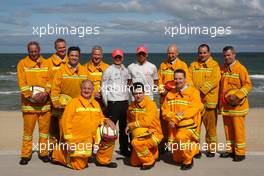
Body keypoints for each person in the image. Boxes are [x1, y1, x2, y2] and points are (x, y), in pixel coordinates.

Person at [51, 80, 118, 170]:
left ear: (93, 90)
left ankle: (103, 160)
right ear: (81, 89)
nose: (86, 90)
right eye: (84, 88)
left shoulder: (95, 103)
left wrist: (107, 120)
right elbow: (65, 121)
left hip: (92, 138)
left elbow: (100, 118)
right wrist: (68, 141)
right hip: (77, 139)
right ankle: (58, 155)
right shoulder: (73, 103)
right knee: (79, 166)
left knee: (110, 135)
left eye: (89, 88)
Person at [17, 41, 51, 165]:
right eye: (31, 51)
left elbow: (50, 80)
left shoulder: (47, 63)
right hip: (29, 106)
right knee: (27, 133)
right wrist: (32, 96)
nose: (33, 53)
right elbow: (22, 83)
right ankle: (25, 155)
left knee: (44, 132)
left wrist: (46, 93)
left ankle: (44, 153)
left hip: (44, 105)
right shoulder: (22, 64)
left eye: (35, 51)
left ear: (39, 50)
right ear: (28, 51)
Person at [162, 69, 203, 170]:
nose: (178, 81)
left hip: (188, 126)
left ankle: (188, 161)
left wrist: (176, 118)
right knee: (176, 159)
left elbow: (193, 109)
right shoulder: (170, 93)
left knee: (181, 139)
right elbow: (164, 110)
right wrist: (171, 119)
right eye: (175, 79)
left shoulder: (194, 92)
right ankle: (194, 148)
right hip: (174, 126)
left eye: (180, 78)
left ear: (185, 79)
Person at [219, 46, 252, 162]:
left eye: (229, 55)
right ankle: (230, 150)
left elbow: (248, 85)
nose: (227, 57)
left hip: (238, 107)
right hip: (226, 107)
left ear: (234, 55)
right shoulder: (222, 69)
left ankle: (240, 153)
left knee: (238, 131)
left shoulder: (240, 68)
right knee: (228, 130)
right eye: (225, 56)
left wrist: (237, 95)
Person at [158, 44, 191, 153]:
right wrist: (162, 90)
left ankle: (178, 148)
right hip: (165, 100)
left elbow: (187, 82)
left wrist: (174, 90)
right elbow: (159, 81)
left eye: (173, 53)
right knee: (164, 125)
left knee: (177, 124)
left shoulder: (182, 65)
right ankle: (164, 146)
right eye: (169, 53)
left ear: (177, 53)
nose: (171, 55)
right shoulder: (163, 65)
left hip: (177, 101)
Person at [189, 44, 221, 158]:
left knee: (210, 129)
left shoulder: (215, 65)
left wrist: (201, 91)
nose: (202, 55)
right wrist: (194, 93)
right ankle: (196, 150)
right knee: (195, 129)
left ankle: (211, 150)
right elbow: (189, 80)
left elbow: (214, 80)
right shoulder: (193, 65)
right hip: (196, 103)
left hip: (209, 104)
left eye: (204, 52)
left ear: (209, 53)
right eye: (200, 53)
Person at [50, 46, 88, 140]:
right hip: (64, 107)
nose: (74, 57)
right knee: (64, 133)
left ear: (79, 57)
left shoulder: (84, 71)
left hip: (79, 107)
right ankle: (62, 154)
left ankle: (76, 154)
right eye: (72, 55)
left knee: (77, 132)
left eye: (76, 56)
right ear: (68, 56)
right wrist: (56, 103)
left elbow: (90, 88)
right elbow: (55, 89)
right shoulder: (61, 71)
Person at [126, 82, 163, 170]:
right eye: (135, 94)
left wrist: (131, 125)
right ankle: (153, 153)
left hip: (154, 134)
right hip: (140, 135)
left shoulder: (151, 104)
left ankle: (149, 161)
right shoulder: (131, 106)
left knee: (136, 143)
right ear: (133, 94)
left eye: (140, 93)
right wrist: (129, 127)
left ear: (144, 92)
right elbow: (129, 120)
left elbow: (146, 122)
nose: (138, 96)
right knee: (134, 163)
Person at [101, 48, 130, 157]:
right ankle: (105, 151)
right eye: (116, 57)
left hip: (124, 102)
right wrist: (106, 103)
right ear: (113, 58)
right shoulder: (108, 70)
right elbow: (103, 88)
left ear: (122, 58)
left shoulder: (125, 70)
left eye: (120, 57)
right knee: (110, 129)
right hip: (113, 102)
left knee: (124, 128)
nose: (118, 59)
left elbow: (127, 85)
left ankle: (124, 149)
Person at [46, 38, 68, 144]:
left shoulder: (72, 60)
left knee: (66, 127)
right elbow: (46, 81)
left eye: (64, 47)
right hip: (53, 100)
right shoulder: (49, 62)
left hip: (67, 100)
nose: (62, 49)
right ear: (55, 48)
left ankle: (64, 152)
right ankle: (53, 151)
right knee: (53, 127)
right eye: (60, 47)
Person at [83, 45, 109, 112]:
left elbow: (112, 84)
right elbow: (81, 85)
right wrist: (93, 93)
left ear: (102, 56)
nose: (97, 57)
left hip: (104, 102)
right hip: (89, 101)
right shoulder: (84, 68)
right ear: (91, 55)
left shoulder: (108, 68)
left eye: (99, 55)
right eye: (95, 54)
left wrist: (103, 93)